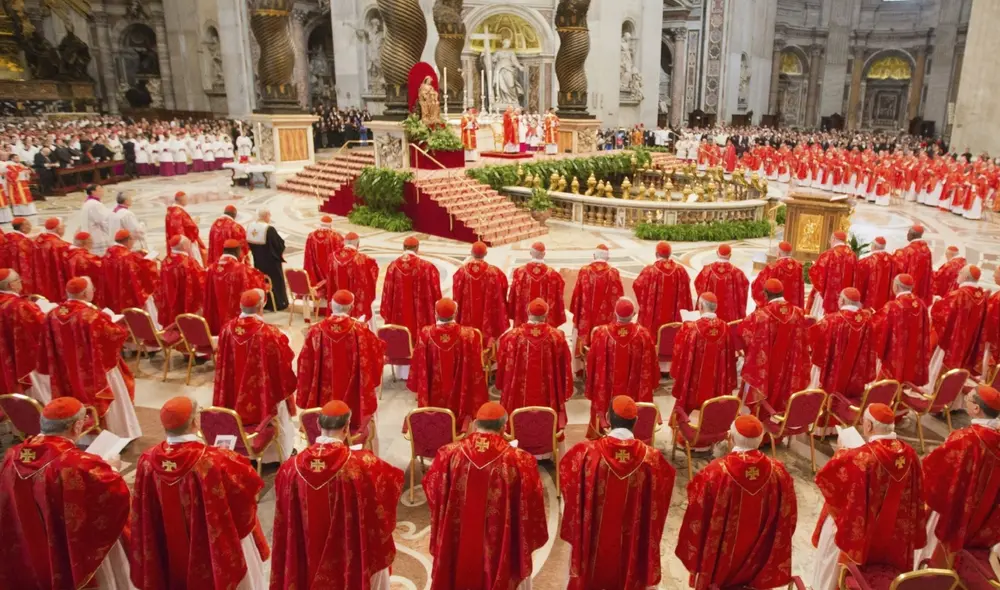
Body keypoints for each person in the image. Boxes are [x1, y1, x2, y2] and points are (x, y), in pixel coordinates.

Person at [129, 396, 270, 590]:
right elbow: (248, 486)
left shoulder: (146, 461)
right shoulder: (214, 459)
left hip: (168, 542)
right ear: (195, 423)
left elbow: (142, 507)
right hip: (210, 541)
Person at [0, 397, 132, 589]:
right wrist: (113, 469)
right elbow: (112, 495)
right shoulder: (77, 463)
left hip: (30, 537)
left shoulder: (13, 455)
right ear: (77, 426)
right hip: (68, 540)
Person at [270, 400, 403, 590]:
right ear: (347, 427)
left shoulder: (289, 470)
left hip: (307, 550)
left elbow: (284, 518)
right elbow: (391, 484)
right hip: (348, 548)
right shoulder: (362, 465)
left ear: (318, 425)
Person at [423, 402, 548, 590]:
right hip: (498, 540)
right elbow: (532, 500)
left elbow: (432, 488)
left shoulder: (448, 455)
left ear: (475, 424)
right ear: (504, 427)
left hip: (457, 537)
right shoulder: (518, 460)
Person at [559, 395, 676, 589]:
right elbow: (661, 497)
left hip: (593, 536)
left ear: (607, 418)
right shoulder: (652, 460)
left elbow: (567, 482)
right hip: (633, 538)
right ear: (636, 422)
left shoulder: (586, 454)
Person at [810, 403, 926, 590]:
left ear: (869, 426)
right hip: (892, 533)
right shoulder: (910, 455)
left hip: (860, 530)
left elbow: (830, 481)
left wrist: (841, 453)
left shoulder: (862, 457)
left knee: (831, 541)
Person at [676, 415, 798, 590]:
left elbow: (697, 512)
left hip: (720, 561)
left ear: (731, 438)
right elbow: (788, 517)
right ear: (760, 439)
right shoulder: (778, 472)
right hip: (759, 559)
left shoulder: (715, 472)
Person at [36, 277, 142, 438]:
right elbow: (115, 335)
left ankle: (81, 435)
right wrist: (111, 320)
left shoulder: (52, 314)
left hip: (65, 369)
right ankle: (115, 435)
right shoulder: (90, 315)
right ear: (85, 293)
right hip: (94, 371)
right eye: (92, 290)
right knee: (107, 400)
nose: (94, 292)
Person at [918, 385, 1000, 566]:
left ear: (976, 409)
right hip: (984, 510)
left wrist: (932, 455)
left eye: (968, 399)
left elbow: (936, 470)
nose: (965, 401)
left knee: (939, 541)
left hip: (958, 505)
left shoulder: (965, 439)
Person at [213, 289, 297, 461]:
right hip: (264, 393)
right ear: (261, 307)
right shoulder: (270, 334)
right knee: (278, 412)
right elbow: (283, 367)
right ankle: (276, 457)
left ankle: (244, 452)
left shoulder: (227, 329)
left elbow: (222, 363)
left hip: (234, 388)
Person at [296, 289, 385, 433]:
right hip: (354, 392)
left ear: (331, 305)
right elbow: (376, 354)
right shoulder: (360, 330)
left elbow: (304, 363)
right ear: (351, 307)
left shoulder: (315, 331)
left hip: (323, 392)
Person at [408, 297, 487, 430]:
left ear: (435, 314)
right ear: (455, 314)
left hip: (433, 393)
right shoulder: (468, 335)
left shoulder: (425, 334)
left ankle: (435, 427)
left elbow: (418, 365)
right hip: (460, 393)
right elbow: (475, 368)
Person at [584, 298, 658, 436]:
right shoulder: (643, 335)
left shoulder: (602, 334)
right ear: (633, 314)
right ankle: (633, 434)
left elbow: (591, 363)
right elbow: (651, 365)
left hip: (607, 391)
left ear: (615, 313)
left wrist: (592, 385)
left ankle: (603, 435)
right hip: (634, 389)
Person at [496, 298, 575, 428]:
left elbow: (503, 366)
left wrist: (500, 384)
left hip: (517, 397)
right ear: (546, 314)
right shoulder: (557, 337)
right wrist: (564, 390)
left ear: (528, 312)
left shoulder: (512, 337)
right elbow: (564, 368)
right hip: (547, 397)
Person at [740, 279, 811, 411]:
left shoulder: (761, 315)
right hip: (789, 364)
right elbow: (804, 339)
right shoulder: (798, 313)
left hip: (767, 367)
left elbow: (744, 335)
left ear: (766, 295)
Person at [926, 264, 989, 398]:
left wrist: (937, 302)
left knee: (941, 365)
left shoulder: (959, 294)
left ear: (966, 276)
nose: (957, 275)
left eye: (960, 272)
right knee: (960, 367)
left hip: (953, 340)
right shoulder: (981, 296)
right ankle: (952, 399)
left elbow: (941, 314)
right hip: (969, 341)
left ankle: (937, 397)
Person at [672, 292, 738, 414]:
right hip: (717, 381)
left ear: (701, 307)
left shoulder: (691, 328)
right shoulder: (725, 328)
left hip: (694, 384)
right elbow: (729, 359)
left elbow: (680, 354)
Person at [379, 236, 441, 362]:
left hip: (398, 315)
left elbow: (386, 294)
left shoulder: (392, 267)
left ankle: (401, 367)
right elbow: (436, 294)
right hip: (420, 316)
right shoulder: (427, 267)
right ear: (417, 249)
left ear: (403, 248)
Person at [809, 287, 877, 399]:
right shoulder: (867, 320)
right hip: (856, 370)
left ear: (843, 301)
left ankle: (828, 408)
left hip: (834, 369)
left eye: (839, 298)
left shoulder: (832, 320)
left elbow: (815, 338)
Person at [868, 274, 931, 389]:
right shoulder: (921, 304)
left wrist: (871, 316)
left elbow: (878, 326)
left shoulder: (893, 306)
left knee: (886, 384)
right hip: (914, 351)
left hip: (896, 354)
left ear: (896, 287)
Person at [0, 269, 49, 403]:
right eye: (18, 280)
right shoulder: (18, 305)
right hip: (26, 360)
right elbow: (41, 326)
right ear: (11, 286)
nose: (21, 282)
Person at [204, 239, 268, 334]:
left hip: (216, 312)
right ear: (238, 251)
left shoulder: (211, 268)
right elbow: (254, 290)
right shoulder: (241, 269)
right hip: (234, 321)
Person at [452, 241, 509, 348]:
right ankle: (488, 349)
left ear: (471, 253)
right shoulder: (495, 272)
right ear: (486, 253)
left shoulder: (461, 272)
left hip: (467, 314)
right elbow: (503, 291)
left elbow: (456, 291)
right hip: (488, 316)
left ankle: (468, 346)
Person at [570, 244, 624, 354]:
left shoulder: (584, 271)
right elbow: (619, 300)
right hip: (606, 321)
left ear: (594, 256)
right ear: (607, 258)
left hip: (587, 318)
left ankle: (582, 363)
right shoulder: (613, 273)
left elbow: (577, 296)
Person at [632, 241, 693, 337]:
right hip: (675, 317)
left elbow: (637, 286)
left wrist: (646, 303)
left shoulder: (649, 271)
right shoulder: (680, 270)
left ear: (656, 254)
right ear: (669, 254)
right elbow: (686, 288)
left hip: (654, 317)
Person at [102, 229, 160, 320]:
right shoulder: (127, 256)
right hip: (130, 292)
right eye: (133, 240)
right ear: (128, 240)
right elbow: (140, 270)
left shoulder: (109, 252)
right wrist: (151, 262)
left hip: (115, 290)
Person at [507, 242, 567, 328]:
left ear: (530, 253)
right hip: (545, 321)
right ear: (544, 254)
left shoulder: (519, 272)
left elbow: (512, 297)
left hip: (523, 318)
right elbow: (558, 297)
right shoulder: (553, 275)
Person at [154, 235, 206, 327]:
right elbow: (201, 281)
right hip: (186, 298)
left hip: (170, 298)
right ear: (184, 246)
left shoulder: (165, 261)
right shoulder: (189, 262)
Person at [327, 231, 379, 323]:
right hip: (355, 305)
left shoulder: (332, 257)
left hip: (337, 301)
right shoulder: (364, 259)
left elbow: (329, 281)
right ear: (358, 244)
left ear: (344, 242)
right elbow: (372, 275)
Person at [246, 208, 289, 312]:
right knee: (275, 281)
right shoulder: (268, 229)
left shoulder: (250, 227)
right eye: (269, 216)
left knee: (262, 280)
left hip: (258, 261)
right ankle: (279, 303)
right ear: (266, 216)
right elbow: (278, 245)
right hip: (271, 263)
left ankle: (265, 302)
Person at [694, 244, 749, 322]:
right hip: (730, 317)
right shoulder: (737, 273)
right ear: (730, 255)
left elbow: (698, 284)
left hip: (708, 310)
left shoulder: (707, 270)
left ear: (717, 253)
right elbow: (743, 291)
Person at [808, 230, 857, 316]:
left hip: (828, 295)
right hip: (846, 297)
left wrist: (814, 266)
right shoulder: (852, 255)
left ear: (834, 239)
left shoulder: (828, 254)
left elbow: (816, 273)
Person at [751, 240, 804, 308]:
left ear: (778, 253)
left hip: (775, 306)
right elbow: (800, 288)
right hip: (793, 306)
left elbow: (760, 283)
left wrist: (754, 284)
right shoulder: (798, 266)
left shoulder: (773, 267)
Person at [894, 224, 934, 305]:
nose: (907, 234)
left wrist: (895, 253)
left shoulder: (908, 250)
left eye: (908, 232)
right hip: (922, 286)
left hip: (909, 285)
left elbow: (897, 265)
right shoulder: (927, 250)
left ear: (912, 235)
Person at [32, 217, 70, 302]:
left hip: (42, 280)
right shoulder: (61, 245)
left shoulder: (37, 241)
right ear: (59, 229)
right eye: (63, 226)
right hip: (56, 281)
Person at [854, 236, 897, 311]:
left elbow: (860, 282)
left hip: (870, 301)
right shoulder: (893, 261)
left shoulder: (866, 261)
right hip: (887, 302)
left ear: (874, 246)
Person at [164, 191, 206, 264]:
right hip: (183, 244)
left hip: (173, 242)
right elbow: (188, 228)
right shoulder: (179, 212)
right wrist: (194, 223)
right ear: (181, 200)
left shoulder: (170, 211)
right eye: (186, 199)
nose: (187, 200)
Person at [65, 231, 105, 308]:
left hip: (72, 290)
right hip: (84, 293)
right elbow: (102, 267)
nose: (92, 245)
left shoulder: (67, 254)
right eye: (91, 242)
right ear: (87, 243)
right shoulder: (87, 257)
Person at [303, 215, 343, 285]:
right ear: (330, 225)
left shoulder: (311, 236)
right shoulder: (336, 236)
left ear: (320, 224)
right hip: (329, 271)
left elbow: (308, 256)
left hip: (315, 271)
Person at [0, 217, 36, 294]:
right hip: (22, 273)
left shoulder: (8, 236)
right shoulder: (24, 242)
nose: (31, 226)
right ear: (23, 227)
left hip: (8, 273)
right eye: (28, 224)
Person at [79, 184, 113, 255]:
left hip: (89, 232)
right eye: (100, 190)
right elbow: (103, 220)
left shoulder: (87, 202)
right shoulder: (95, 204)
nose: (102, 191)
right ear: (93, 192)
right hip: (96, 235)